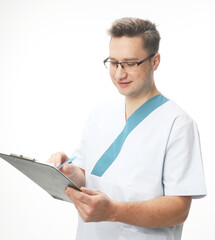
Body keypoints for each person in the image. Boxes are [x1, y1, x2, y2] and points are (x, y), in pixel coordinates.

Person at [48, 17, 207, 240]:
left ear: (155, 61)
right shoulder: (99, 114)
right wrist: (69, 171)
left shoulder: (178, 124)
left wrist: (113, 211)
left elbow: (179, 209)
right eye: (114, 63)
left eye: (130, 63)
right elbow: (87, 176)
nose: (119, 74)